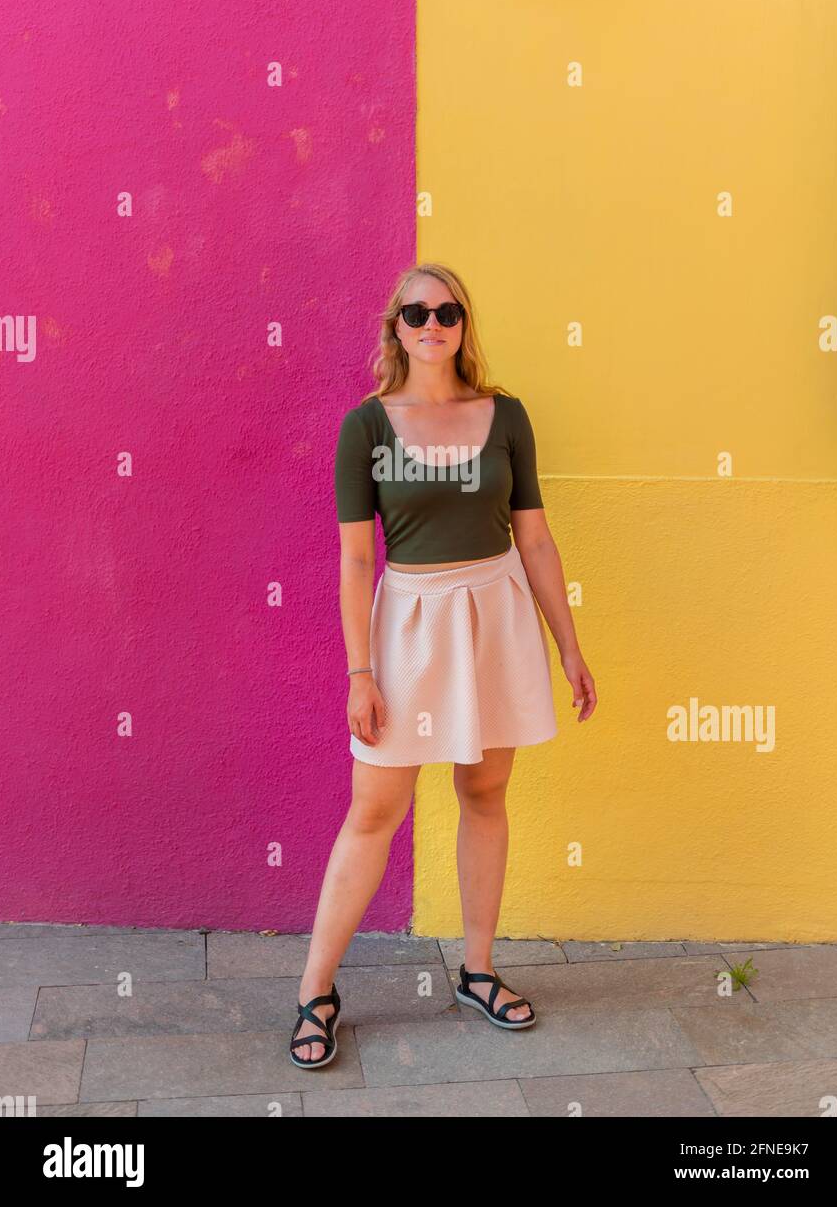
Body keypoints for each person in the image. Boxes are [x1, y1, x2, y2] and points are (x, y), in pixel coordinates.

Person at [289, 261, 597, 1068]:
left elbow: (532, 534)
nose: (432, 323)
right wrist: (361, 671)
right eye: (415, 311)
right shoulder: (367, 427)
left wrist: (568, 645)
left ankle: (479, 969)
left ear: (464, 324)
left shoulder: (507, 416)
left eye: (448, 311)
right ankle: (315, 990)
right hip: (411, 624)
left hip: (496, 617)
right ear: (396, 325)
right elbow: (357, 562)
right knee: (374, 809)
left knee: (485, 790)